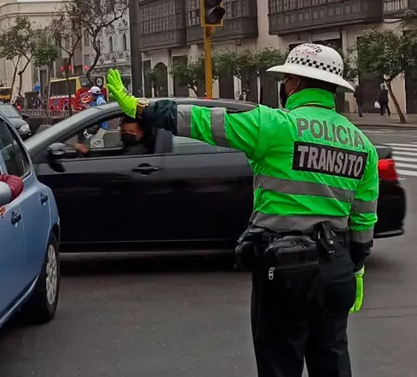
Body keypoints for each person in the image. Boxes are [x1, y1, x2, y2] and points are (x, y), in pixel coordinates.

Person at [105, 43, 378, 377]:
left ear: (293, 83)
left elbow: (203, 121)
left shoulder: (274, 125)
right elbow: (364, 218)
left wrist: (142, 109)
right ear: (333, 89)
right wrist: (357, 266)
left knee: (280, 362)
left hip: (286, 269)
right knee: (333, 362)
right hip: (336, 270)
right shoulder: (361, 144)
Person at [72, 115, 154, 156]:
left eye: (131, 131)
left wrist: (87, 152)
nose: (127, 134)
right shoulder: (130, 147)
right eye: (124, 131)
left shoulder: (137, 152)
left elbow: (108, 165)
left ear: (141, 132)